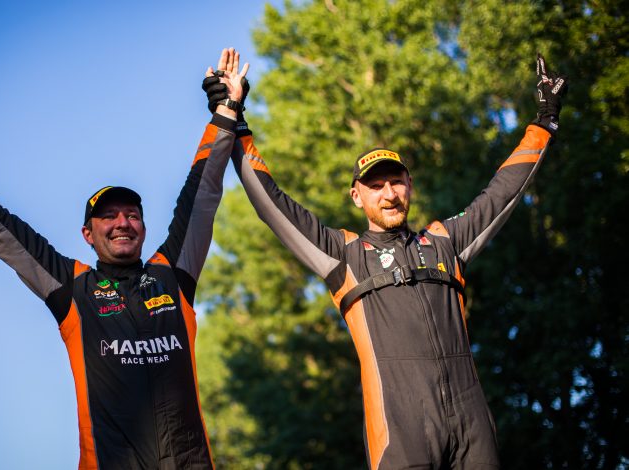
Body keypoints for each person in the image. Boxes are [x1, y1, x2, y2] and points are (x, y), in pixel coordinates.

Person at [203, 53, 567, 469]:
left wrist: (544, 122)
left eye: (396, 182)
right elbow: (271, 200)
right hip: (401, 431)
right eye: (375, 186)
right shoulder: (345, 255)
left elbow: (502, 192)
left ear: (409, 186)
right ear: (357, 197)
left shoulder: (445, 243)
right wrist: (234, 116)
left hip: (472, 427)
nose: (389, 193)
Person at [0, 49, 248, 470]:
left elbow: (202, 192)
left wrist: (226, 112)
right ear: (88, 233)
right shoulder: (73, 286)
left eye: (132, 214)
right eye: (108, 216)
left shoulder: (172, 274)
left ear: (143, 226)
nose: (122, 223)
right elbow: (0, 226)